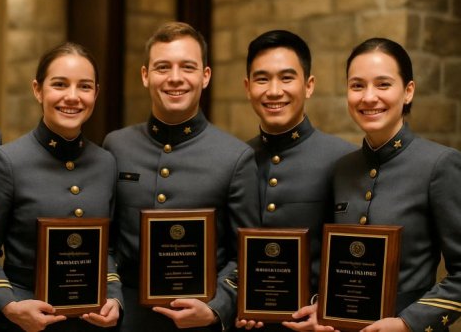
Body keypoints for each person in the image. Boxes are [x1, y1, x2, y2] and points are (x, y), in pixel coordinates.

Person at [286, 38, 461, 332]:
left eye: (383, 84)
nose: (368, 97)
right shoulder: (343, 169)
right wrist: (323, 307)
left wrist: (408, 323)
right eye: (357, 86)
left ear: (408, 92)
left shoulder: (440, 165)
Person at [102, 21, 260, 332]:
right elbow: (105, 242)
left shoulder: (235, 157)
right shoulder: (116, 146)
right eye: (163, 67)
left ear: (205, 76)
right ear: (145, 75)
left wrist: (217, 308)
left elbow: (247, 254)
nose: (175, 78)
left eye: (187, 67)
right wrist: (113, 297)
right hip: (127, 320)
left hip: (201, 322)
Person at [0, 42, 122, 332]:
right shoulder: (8, 162)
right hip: (24, 322)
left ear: (96, 93)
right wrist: (9, 305)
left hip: (91, 324)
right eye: (59, 84)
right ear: (37, 89)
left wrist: (116, 299)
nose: (72, 97)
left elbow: (108, 248)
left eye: (84, 86)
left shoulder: (106, 162)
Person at [233, 30, 356, 331]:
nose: (274, 91)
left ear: (309, 85)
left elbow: (353, 257)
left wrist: (326, 307)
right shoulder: (235, 159)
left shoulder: (344, 160)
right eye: (262, 79)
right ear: (248, 88)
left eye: (287, 78)